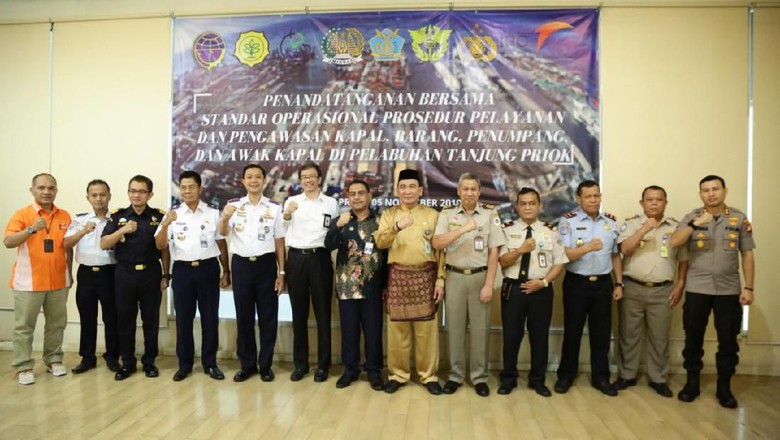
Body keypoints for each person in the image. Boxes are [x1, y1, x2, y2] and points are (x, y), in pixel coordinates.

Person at [669, 175, 755, 409]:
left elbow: (747, 253)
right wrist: (695, 224)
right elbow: (674, 242)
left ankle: (724, 388)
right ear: (700, 194)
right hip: (697, 288)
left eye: (715, 189)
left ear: (724, 191)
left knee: (728, 341)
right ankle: (692, 384)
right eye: (705, 190)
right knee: (693, 338)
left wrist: (748, 287)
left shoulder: (738, 218)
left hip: (729, 290)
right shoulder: (692, 216)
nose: (711, 194)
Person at [432, 173, 504, 397]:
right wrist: (463, 229)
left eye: (474, 189)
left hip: (480, 277)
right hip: (453, 276)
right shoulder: (447, 214)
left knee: (481, 330)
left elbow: (494, 251)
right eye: (466, 189)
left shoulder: (490, 214)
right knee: (454, 329)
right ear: (458, 191)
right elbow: (437, 243)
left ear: (479, 192)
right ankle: (455, 376)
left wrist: (489, 284)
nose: (470, 193)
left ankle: (479, 377)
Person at [375, 168, 446, 395]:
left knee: (427, 332)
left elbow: (441, 251)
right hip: (398, 278)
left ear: (420, 190)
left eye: (412, 187)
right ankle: (398, 375)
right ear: (397, 190)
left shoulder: (432, 215)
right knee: (398, 331)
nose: (407, 191)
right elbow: (380, 242)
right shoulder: (389, 214)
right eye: (403, 187)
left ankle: (429, 376)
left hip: (426, 277)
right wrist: (396, 227)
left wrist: (440, 279)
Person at [155, 170, 230, 381]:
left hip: (208, 269)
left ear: (200, 189)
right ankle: (185, 365)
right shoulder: (172, 214)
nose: (187, 191)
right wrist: (166, 224)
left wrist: (226, 271)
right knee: (183, 320)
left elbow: (221, 244)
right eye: (183, 187)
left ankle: (210, 363)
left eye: (191, 187)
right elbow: (160, 245)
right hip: (182, 271)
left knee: (210, 318)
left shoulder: (212, 213)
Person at [613, 185, 688, 398]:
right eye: (649, 199)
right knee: (629, 335)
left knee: (659, 337)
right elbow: (624, 249)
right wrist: (644, 229)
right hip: (632, 287)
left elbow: (684, 259)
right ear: (642, 203)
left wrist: (680, 285)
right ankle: (627, 375)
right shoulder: (631, 224)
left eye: (659, 199)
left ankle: (658, 379)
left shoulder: (676, 227)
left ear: (665, 202)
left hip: (663, 290)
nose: (654, 203)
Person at [554, 180, 624, 396]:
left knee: (601, 334)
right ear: (579, 199)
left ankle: (600, 377)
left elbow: (615, 256)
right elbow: (565, 254)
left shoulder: (610, 222)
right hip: (577, 283)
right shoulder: (568, 221)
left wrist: (618, 282)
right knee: (572, 331)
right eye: (588, 196)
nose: (593, 200)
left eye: (596, 195)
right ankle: (566, 375)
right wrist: (587, 247)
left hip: (603, 283)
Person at [497, 187, 568, 397]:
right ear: (517, 206)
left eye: (532, 203)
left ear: (540, 205)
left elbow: (559, 263)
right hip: (514, 289)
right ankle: (508, 379)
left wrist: (544, 282)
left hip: (541, 290)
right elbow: (502, 261)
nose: (527, 207)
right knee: (511, 336)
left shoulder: (550, 231)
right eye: (523, 203)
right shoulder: (506, 230)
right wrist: (520, 250)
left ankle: (537, 380)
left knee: (539, 337)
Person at [219, 164, 286, 383]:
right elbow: (223, 232)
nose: (254, 180)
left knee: (268, 317)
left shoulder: (274, 208)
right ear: (243, 181)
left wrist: (282, 272)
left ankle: (265, 366)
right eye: (249, 177)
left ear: (264, 181)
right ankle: (247, 365)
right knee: (244, 317)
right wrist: (225, 218)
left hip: (266, 266)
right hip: (241, 266)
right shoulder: (233, 206)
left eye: (258, 177)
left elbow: (279, 242)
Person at [4, 173, 72, 385]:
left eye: (51, 188)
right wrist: (32, 229)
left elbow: (68, 247)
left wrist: (70, 274)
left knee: (56, 324)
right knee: (24, 326)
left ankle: (54, 360)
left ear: (56, 191)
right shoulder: (22, 214)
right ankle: (23, 366)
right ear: (32, 190)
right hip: (28, 282)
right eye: (41, 188)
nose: (46, 192)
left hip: (59, 281)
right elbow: (8, 241)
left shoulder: (64, 215)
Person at [101, 175, 170, 381]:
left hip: (151, 273)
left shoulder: (158, 217)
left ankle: (149, 362)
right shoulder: (118, 216)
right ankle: (127, 363)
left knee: (151, 320)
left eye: (141, 191)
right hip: (125, 273)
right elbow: (104, 243)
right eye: (132, 190)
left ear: (150, 194)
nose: (136, 195)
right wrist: (123, 229)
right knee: (125, 320)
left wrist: (166, 274)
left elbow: (164, 249)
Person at [325, 179, 387, 391]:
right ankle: (350, 370)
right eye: (352, 194)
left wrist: (385, 284)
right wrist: (337, 227)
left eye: (361, 193)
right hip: (346, 287)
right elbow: (328, 245)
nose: (357, 197)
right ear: (348, 197)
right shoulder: (342, 221)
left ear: (369, 196)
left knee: (373, 331)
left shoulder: (380, 221)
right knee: (349, 331)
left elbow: (387, 254)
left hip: (372, 286)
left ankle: (374, 371)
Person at [282, 161, 340, 382]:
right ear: (300, 180)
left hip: (320, 259)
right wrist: (287, 214)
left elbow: (333, 234)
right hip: (296, 259)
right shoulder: (292, 202)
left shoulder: (331, 204)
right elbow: (283, 225)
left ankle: (323, 365)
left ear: (319, 179)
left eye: (312, 176)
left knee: (323, 314)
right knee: (299, 315)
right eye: (304, 177)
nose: (308, 180)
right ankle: (301, 365)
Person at [64, 179, 120, 374]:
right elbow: (66, 244)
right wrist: (83, 231)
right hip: (86, 274)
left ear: (109, 196)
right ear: (88, 198)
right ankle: (87, 357)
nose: (98, 199)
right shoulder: (80, 219)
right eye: (94, 195)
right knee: (87, 316)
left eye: (102, 194)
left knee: (111, 317)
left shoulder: (117, 219)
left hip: (110, 273)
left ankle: (112, 356)